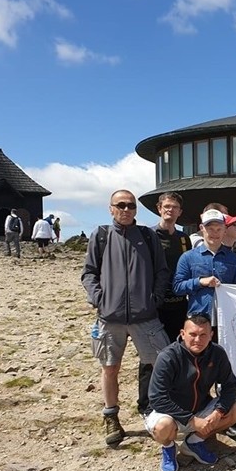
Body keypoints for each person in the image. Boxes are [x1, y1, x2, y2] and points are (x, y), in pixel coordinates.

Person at [81, 189, 171, 445]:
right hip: (110, 318)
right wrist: (99, 299)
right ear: (111, 208)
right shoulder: (101, 236)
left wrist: (154, 299)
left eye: (130, 206)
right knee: (110, 368)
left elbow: (161, 271)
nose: (126, 209)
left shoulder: (147, 235)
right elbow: (89, 273)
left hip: (146, 316)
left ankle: (161, 411)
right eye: (120, 205)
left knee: (161, 363)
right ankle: (111, 416)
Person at [146, 314, 236, 471]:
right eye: (192, 334)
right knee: (163, 427)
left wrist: (218, 412)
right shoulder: (168, 356)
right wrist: (191, 420)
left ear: (211, 335)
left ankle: (194, 441)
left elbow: (230, 386)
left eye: (203, 335)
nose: (198, 340)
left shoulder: (217, 353)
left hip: (199, 408)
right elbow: (157, 398)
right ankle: (168, 447)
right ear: (183, 333)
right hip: (169, 413)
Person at [173, 209, 236, 336]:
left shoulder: (234, 259)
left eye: (219, 229)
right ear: (202, 228)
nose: (215, 233)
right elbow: (177, 287)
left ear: (225, 230)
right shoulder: (188, 257)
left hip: (227, 322)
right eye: (210, 229)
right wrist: (200, 282)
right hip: (197, 321)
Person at [152, 192, 194, 342]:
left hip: (180, 303)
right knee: (153, 352)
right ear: (159, 208)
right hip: (156, 305)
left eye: (175, 207)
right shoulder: (149, 235)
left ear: (180, 212)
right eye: (167, 206)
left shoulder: (183, 238)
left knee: (178, 346)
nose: (170, 210)